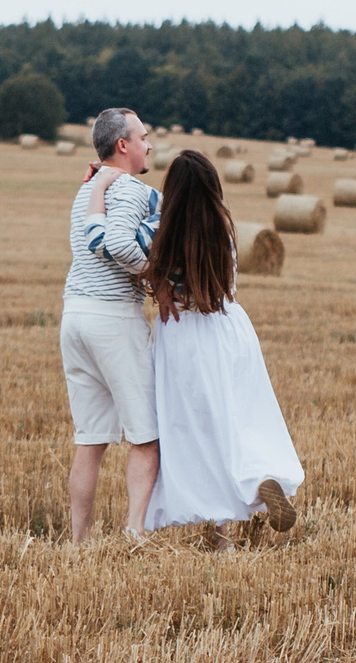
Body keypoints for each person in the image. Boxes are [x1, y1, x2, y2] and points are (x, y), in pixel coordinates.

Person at [131, 149, 303, 546]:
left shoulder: (162, 231)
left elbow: (149, 278)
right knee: (238, 419)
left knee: (195, 432)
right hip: (230, 330)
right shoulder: (223, 226)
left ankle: (218, 528)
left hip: (183, 335)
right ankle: (259, 478)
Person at [62, 107, 160, 542]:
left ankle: (78, 543)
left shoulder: (86, 189)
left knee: (91, 439)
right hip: (113, 318)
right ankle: (135, 534)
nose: (149, 143)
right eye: (143, 136)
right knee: (146, 436)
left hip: (74, 316)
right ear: (123, 145)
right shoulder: (131, 189)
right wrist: (148, 272)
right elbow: (119, 243)